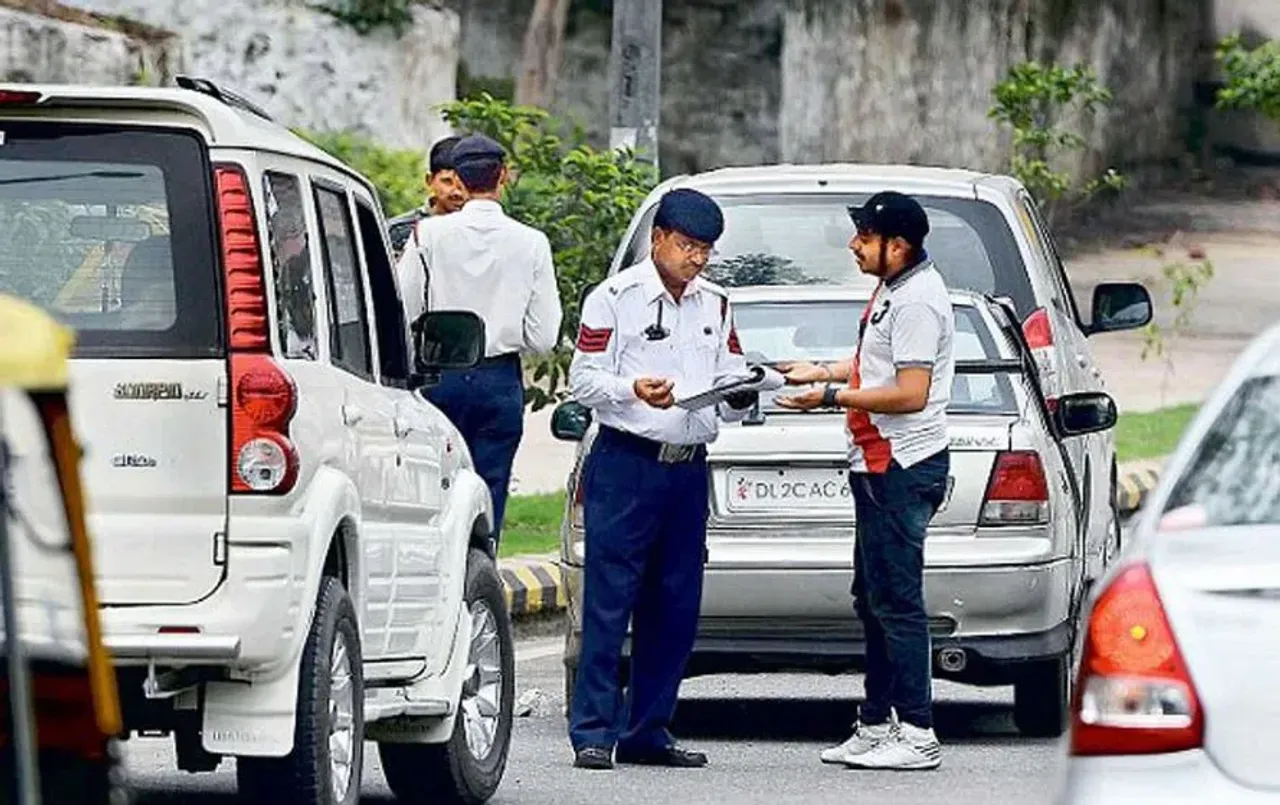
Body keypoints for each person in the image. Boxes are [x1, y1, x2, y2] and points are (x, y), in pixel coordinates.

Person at [567, 188, 759, 771]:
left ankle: (648, 730)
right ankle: (594, 732)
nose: (696, 259)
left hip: (687, 469)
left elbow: (729, 374)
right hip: (627, 462)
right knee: (610, 601)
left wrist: (741, 393)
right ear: (658, 239)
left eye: (705, 249)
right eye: (686, 245)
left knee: (675, 605)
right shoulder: (614, 298)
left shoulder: (716, 305)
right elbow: (583, 380)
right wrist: (633, 389)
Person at [776, 190, 955, 771]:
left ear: (896, 246)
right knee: (873, 598)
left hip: (900, 465)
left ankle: (918, 731)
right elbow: (877, 366)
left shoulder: (918, 301)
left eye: (865, 237)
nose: (854, 246)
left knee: (898, 601)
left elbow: (911, 392)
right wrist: (821, 370)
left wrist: (829, 396)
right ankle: (877, 722)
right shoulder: (893, 289)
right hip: (875, 463)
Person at [396, 133, 562, 549]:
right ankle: (480, 574)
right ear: (503, 176)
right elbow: (544, 336)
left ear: (459, 180)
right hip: (498, 380)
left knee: (433, 493)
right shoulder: (532, 242)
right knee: (490, 494)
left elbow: (404, 310)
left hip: (439, 376)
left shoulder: (427, 235)